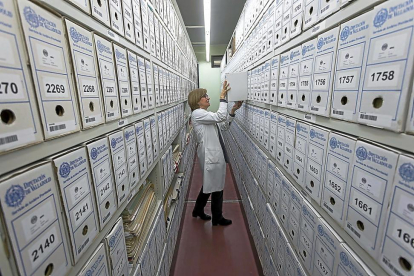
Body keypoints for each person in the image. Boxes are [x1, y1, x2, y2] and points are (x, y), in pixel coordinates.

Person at [187, 81, 243, 226]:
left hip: (213, 154)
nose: (208, 98)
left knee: (211, 183)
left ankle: (198, 210)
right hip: (210, 155)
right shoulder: (197, 113)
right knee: (216, 185)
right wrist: (223, 96)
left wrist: (233, 111)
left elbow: (223, 126)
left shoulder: (204, 114)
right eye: (205, 96)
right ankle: (217, 217)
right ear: (197, 100)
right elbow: (219, 117)